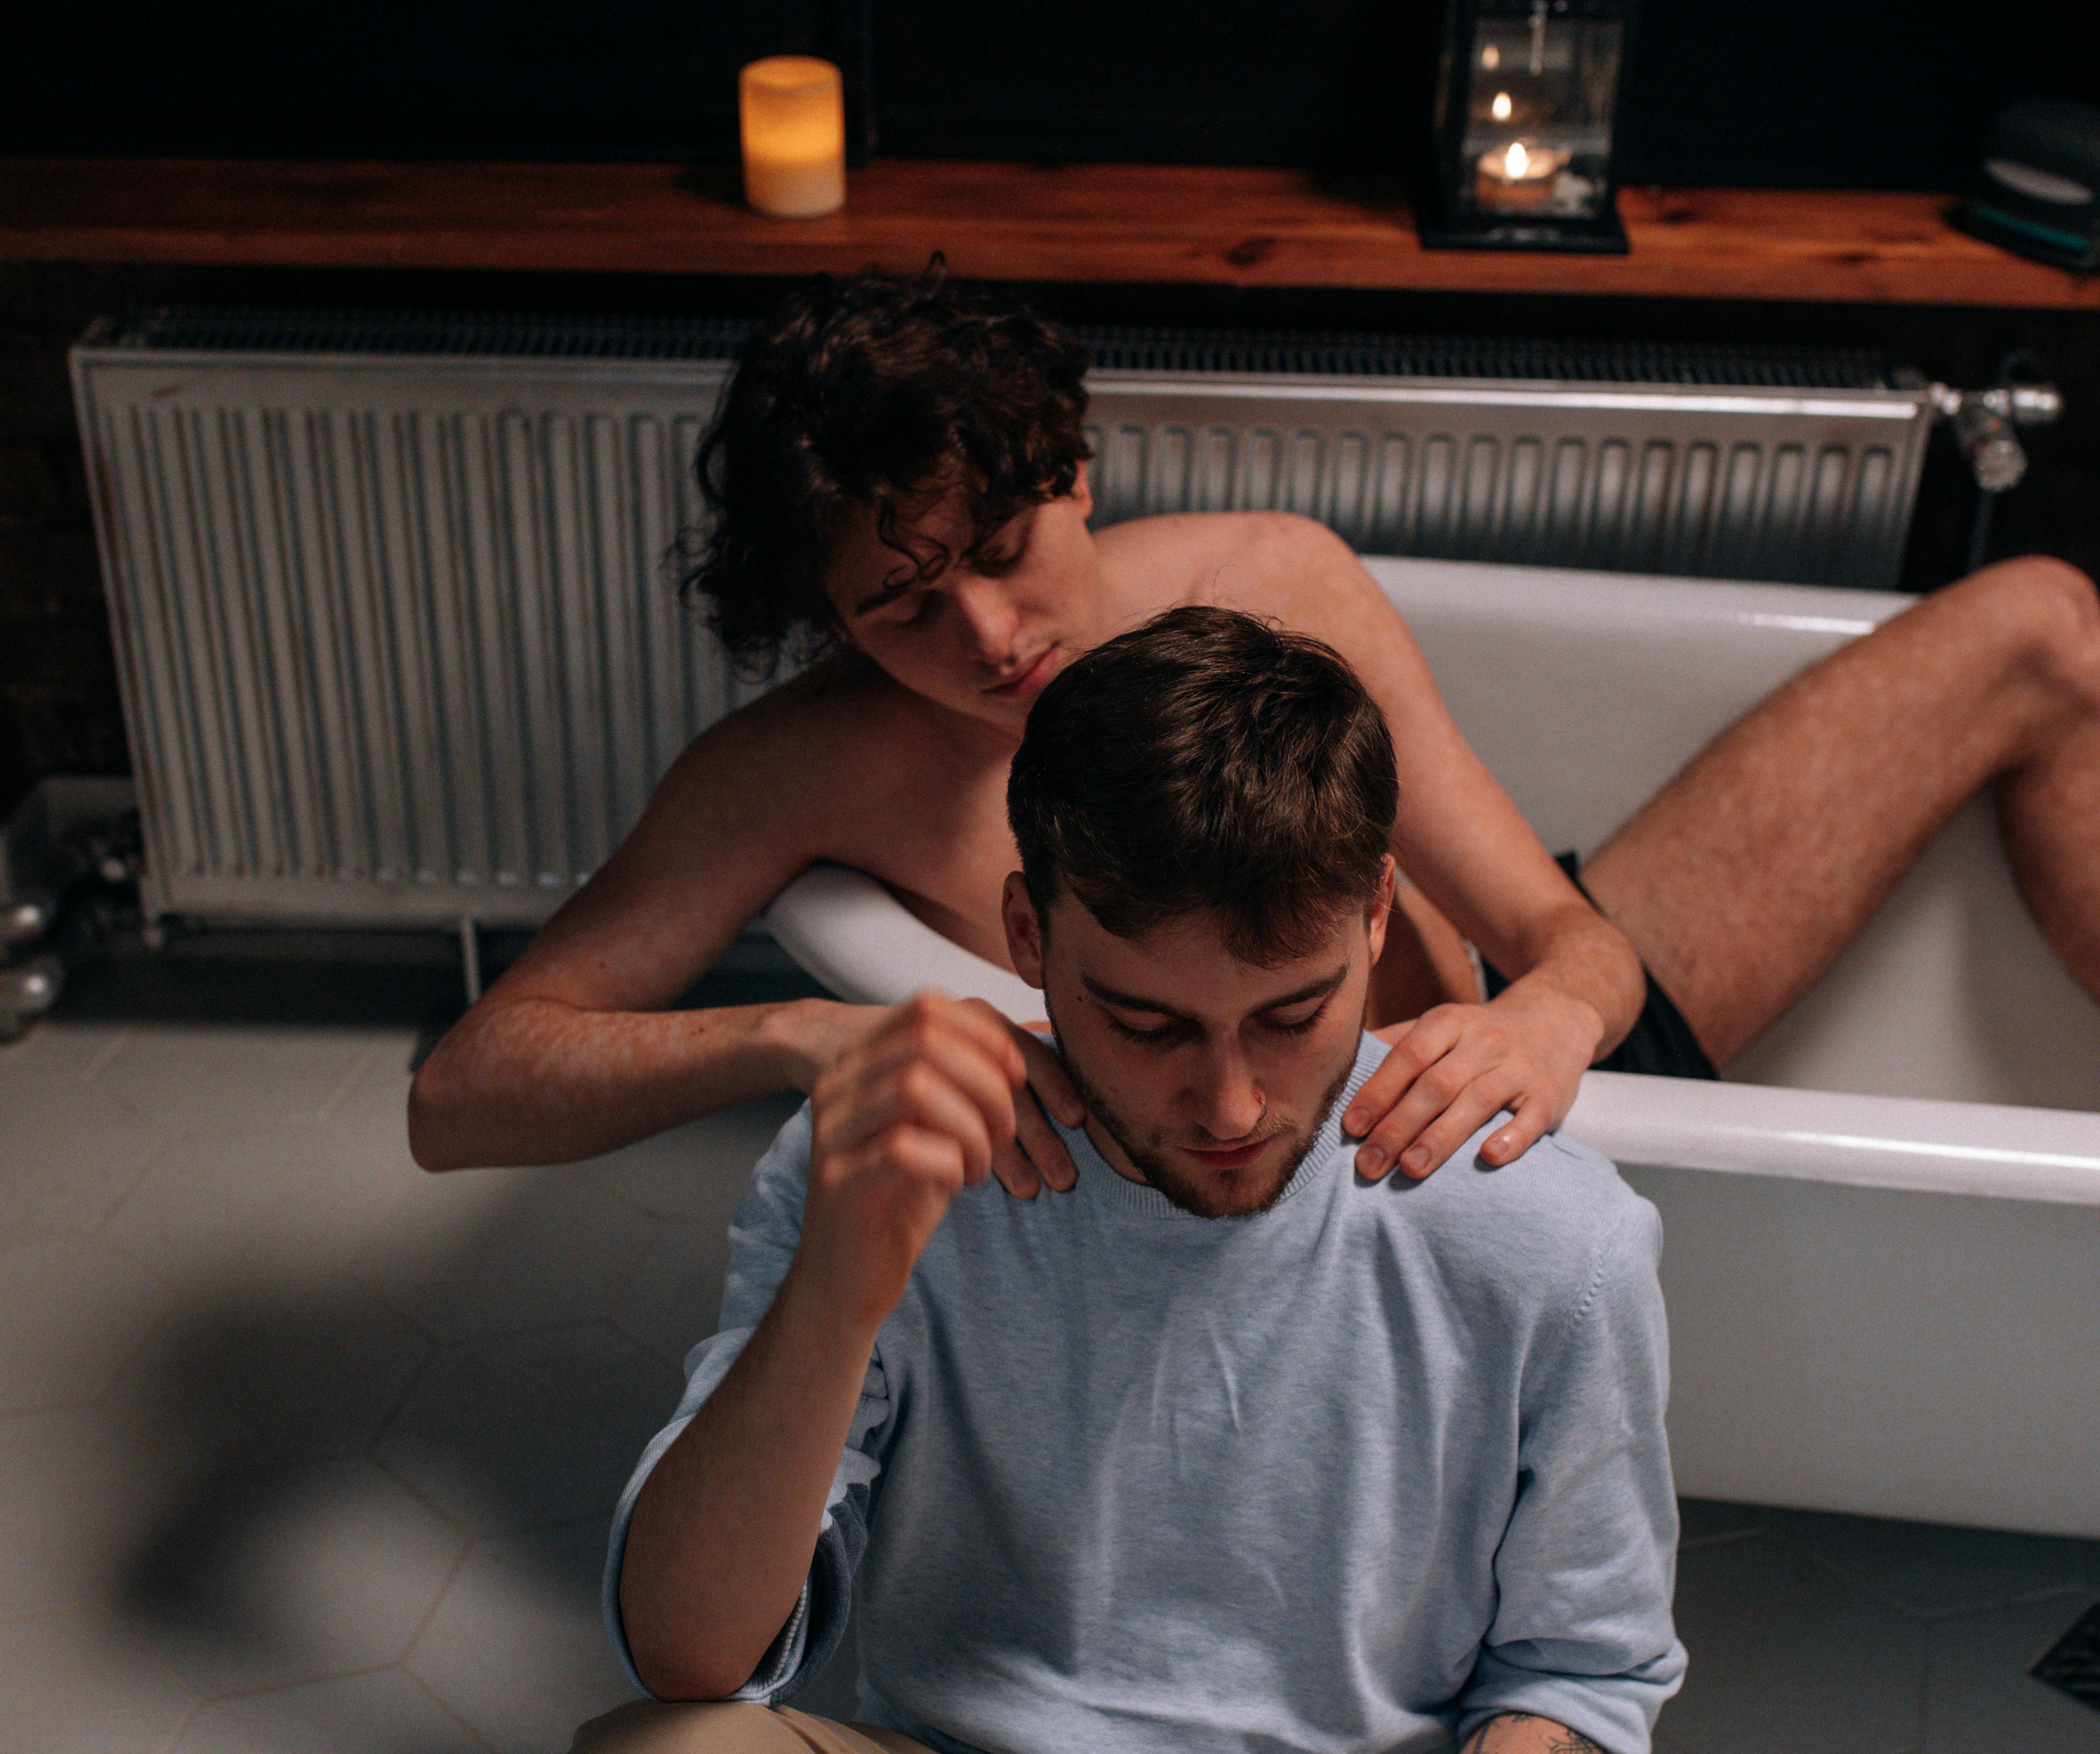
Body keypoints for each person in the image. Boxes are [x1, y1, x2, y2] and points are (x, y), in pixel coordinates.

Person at [486, 609, 1685, 1754]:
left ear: (1375, 917)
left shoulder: (1543, 1241)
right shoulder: (892, 1160)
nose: (1227, 1103)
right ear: (1030, 938)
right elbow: (692, 1660)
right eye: (1147, 1021)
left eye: (1288, 1012)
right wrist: (854, 1264)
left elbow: (1587, 1682)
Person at [408, 263, 2100, 1198]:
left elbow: (1565, 939)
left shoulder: (1269, 579)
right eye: (900, 607)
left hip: (1496, 1090)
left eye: (1001, 552)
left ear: (1073, 468)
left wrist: (1549, 1030)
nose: (988, 638)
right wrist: (796, 1037)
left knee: (2039, 618)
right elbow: (463, 1095)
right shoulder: (795, 771)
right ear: (828, 620)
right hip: (1302, 1171)